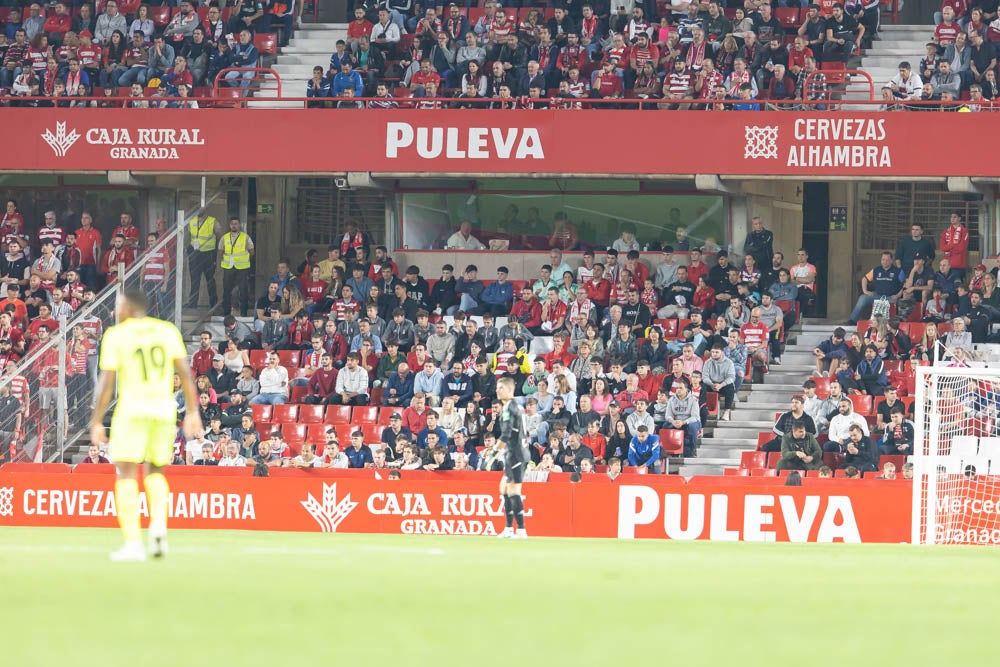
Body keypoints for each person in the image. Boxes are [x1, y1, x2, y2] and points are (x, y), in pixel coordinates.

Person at [89, 289, 201, 561]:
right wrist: (194, 411)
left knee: (126, 473)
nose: (117, 311)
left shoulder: (117, 335)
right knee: (156, 471)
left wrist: (96, 420)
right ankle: (159, 528)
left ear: (128, 307)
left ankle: (133, 543)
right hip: (164, 410)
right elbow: (184, 372)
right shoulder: (167, 331)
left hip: (133, 409)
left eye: (118, 306)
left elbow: (107, 382)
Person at [495, 376, 529, 539]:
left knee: (513, 490)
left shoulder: (509, 408)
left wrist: (494, 451)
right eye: (497, 387)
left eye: (501, 388)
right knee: (504, 488)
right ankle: (509, 528)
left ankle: (521, 530)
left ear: (510, 390)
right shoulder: (516, 407)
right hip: (514, 452)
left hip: (516, 454)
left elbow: (507, 434)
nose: (497, 390)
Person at [219, 217, 255, 317]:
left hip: (242, 268)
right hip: (228, 267)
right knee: (227, 290)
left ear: (239, 225)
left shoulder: (245, 237)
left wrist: (244, 258)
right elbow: (220, 251)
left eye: (236, 223)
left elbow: (252, 251)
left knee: (243, 289)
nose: (234, 225)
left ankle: (244, 312)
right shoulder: (225, 237)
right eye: (232, 223)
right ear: (230, 225)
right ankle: (226, 312)